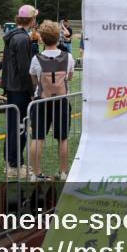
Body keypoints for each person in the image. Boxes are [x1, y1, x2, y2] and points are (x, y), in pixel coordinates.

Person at [28, 20, 74, 182]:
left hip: (41, 101)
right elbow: (69, 77)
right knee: (63, 138)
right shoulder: (68, 57)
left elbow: (34, 80)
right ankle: (63, 172)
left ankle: (37, 173)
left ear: (42, 37)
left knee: (38, 138)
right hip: (61, 100)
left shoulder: (36, 58)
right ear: (58, 37)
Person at [3, 4, 39, 179]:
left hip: (11, 87)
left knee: (12, 125)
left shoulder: (13, 36)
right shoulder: (23, 39)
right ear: (31, 19)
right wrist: (31, 90)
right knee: (20, 127)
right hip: (20, 89)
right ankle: (15, 164)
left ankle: (9, 161)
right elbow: (25, 69)